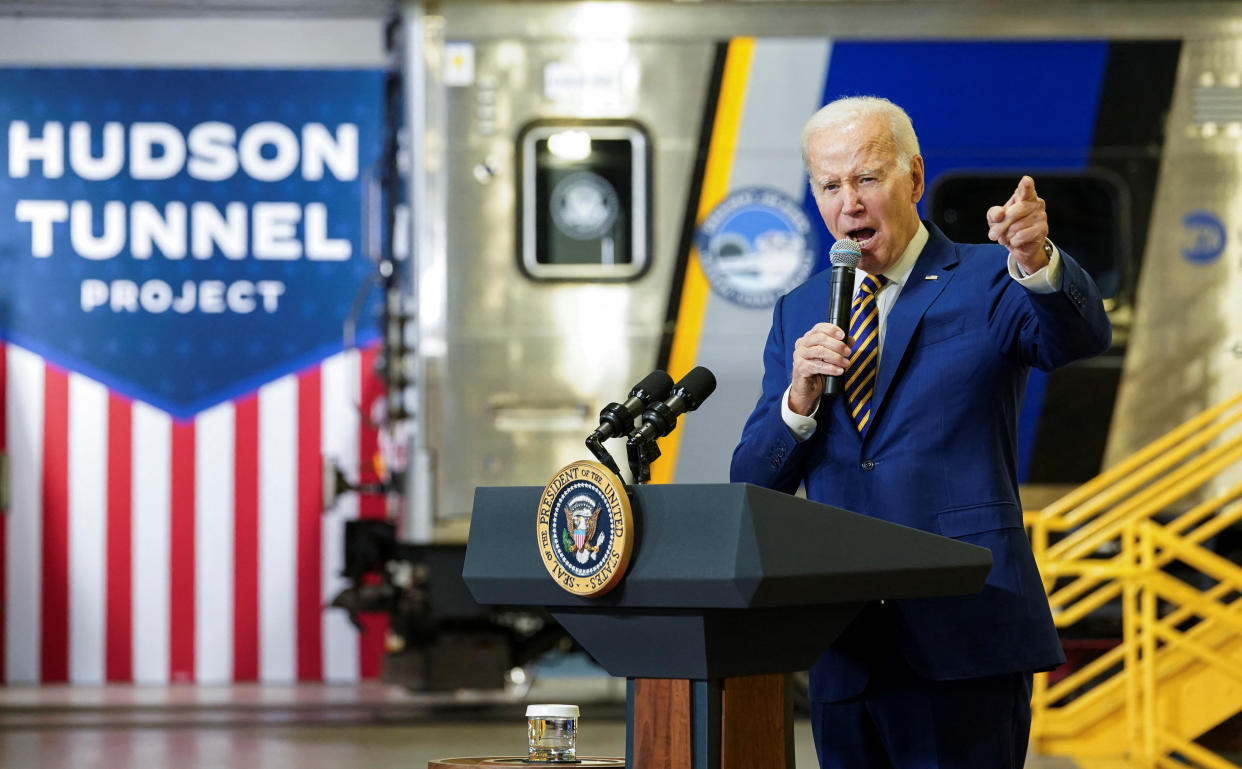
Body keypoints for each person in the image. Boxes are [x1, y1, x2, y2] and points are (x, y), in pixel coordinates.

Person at [730, 96, 1111, 769]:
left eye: (867, 178)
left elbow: (1076, 337)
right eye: (829, 185)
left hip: (964, 634)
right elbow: (755, 480)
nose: (849, 203)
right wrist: (798, 398)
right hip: (845, 646)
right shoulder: (802, 307)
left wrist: (1037, 259)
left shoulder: (992, 278)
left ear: (914, 177)